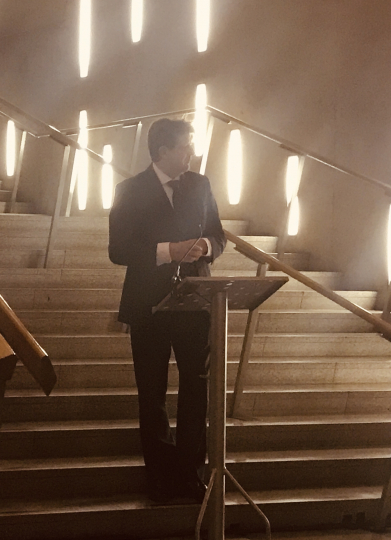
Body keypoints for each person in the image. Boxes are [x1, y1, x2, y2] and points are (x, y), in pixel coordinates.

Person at [109, 118, 226, 503]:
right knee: (152, 392)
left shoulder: (200, 185)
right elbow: (118, 249)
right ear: (162, 152)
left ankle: (191, 471)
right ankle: (159, 474)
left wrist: (206, 248)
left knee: (197, 387)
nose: (191, 154)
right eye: (184, 148)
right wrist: (167, 251)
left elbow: (218, 236)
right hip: (148, 305)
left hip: (196, 302)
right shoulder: (129, 189)